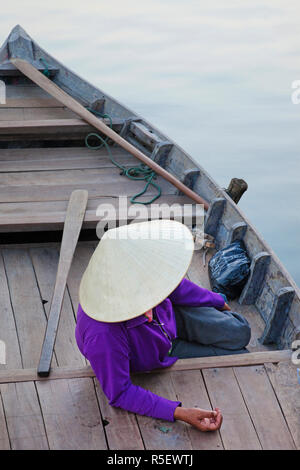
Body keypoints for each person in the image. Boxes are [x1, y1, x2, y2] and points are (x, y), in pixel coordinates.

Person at [75, 219, 251, 432]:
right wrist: (180, 413)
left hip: (171, 318)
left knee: (241, 333)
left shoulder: (143, 274)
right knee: (239, 355)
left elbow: (174, 286)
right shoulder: (102, 334)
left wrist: (215, 299)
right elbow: (120, 393)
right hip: (159, 352)